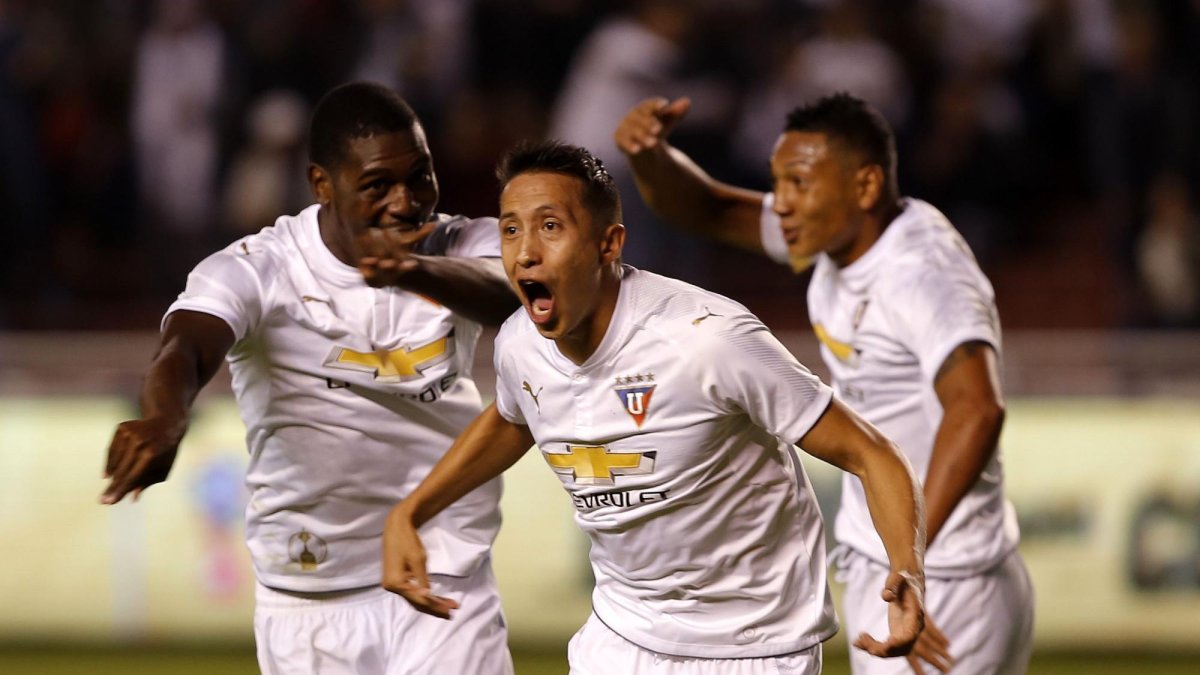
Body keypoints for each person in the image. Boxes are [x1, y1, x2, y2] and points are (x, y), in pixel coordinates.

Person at [381, 140, 928, 674]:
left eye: (551, 226)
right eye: (510, 229)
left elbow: (869, 452)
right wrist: (413, 512)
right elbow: (511, 418)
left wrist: (907, 569)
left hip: (755, 645)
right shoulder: (520, 345)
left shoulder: (708, 338)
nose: (525, 251)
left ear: (608, 244)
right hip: (623, 635)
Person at [101, 81, 518, 675]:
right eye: (378, 185)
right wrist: (165, 418)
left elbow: (517, 298)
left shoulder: (458, 244)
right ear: (322, 184)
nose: (406, 202)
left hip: (444, 569)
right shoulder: (263, 269)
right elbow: (185, 346)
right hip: (310, 591)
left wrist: (415, 271)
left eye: (420, 176)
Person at [614, 93, 1034, 674]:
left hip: (947, 574)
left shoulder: (923, 273)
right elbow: (706, 210)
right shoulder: (840, 237)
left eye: (799, 183)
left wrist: (911, 561)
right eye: (776, 182)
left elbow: (978, 411)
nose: (780, 204)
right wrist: (649, 154)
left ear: (863, 187)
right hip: (893, 557)